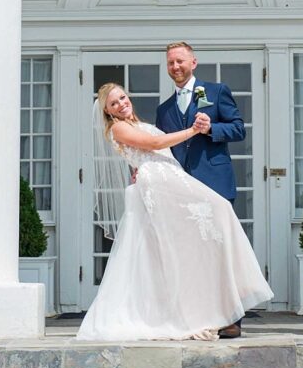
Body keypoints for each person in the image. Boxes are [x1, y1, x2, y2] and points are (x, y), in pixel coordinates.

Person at [77, 83, 272, 341]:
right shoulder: (118, 127)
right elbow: (155, 142)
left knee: (205, 231)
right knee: (217, 211)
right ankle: (226, 296)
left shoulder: (135, 122)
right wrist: (193, 130)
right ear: (108, 111)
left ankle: (229, 295)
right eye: (114, 103)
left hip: (169, 176)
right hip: (158, 182)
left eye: (123, 97)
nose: (122, 104)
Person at [155, 41, 248, 337]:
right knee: (193, 257)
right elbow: (163, 149)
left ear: (193, 62)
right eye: (171, 63)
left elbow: (238, 128)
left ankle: (231, 318)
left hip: (215, 186)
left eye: (180, 61)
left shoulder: (216, 92)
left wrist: (211, 129)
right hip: (181, 192)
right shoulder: (164, 110)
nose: (175, 67)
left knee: (222, 254)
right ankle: (199, 316)